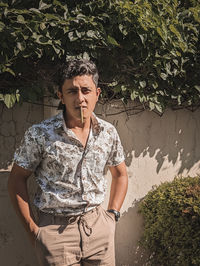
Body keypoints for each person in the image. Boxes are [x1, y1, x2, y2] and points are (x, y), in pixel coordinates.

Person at [8, 59, 128, 266]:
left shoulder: (108, 133)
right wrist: (34, 232)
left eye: (86, 90)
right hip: (55, 233)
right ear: (61, 96)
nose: (80, 98)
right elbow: (16, 179)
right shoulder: (40, 134)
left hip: (99, 228)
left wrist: (112, 216)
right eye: (72, 91)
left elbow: (120, 174)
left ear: (97, 94)